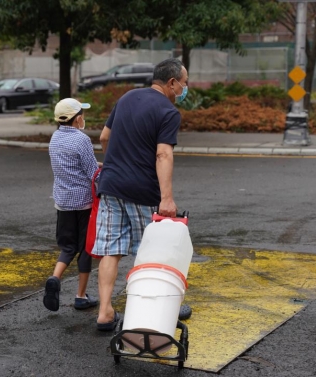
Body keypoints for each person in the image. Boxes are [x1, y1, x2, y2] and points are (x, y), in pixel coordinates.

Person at [91, 58, 188, 331]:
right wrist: (166, 198)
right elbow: (163, 153)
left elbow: (104, 137)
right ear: (171, 83)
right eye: (184, 84)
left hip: (110, 186)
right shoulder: (168, 112)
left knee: (111, 251)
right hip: (143, 191)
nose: (184, 89)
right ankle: (160, 307)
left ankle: (105, 312)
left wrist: (114, 165)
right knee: (154, 252)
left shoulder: (127, 97)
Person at [43, 98, 100, 312]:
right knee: (85, 248)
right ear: (77, 119)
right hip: (84, 203)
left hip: (63, 201)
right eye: (82, 115)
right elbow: (91, 173)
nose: (83, 118)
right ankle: (81, 296)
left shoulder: (55, 138)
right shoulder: (81, 140)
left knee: (68, 246)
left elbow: (71, 167)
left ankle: (55, 278)